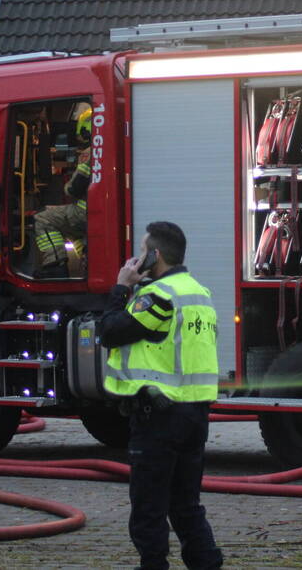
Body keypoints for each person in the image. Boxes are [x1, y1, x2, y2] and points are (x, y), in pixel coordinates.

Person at [98, 221, 223, 570]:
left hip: (159, 418)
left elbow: (109, 331)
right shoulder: (198, 292)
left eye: (142, 251)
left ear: (156, 255)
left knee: (148, 507)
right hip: (194, 415)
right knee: (186, 505)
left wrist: (121, 288)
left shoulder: (159, 297)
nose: (138, 258)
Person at [33, 106, 93, 278]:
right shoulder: (104, 150)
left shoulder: (90, 153)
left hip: (84, 212)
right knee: (69, 227)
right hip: (93, 212)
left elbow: (74, 189)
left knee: (44, 217)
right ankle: (88, 259)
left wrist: (66, 188)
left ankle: (54, 265)